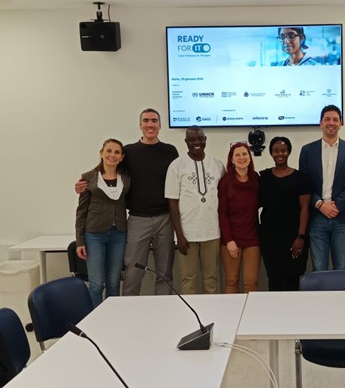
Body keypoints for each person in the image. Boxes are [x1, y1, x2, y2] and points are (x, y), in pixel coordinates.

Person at [75, 108, 178, 296]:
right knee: (133, 272)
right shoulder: (129, 152)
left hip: (165, 219)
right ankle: (128, 309)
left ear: (160, 125)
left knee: (164, 271)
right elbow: (108, 168)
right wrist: (85, 182)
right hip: (137, 219)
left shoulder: (170, 151)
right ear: (140, 125)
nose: (150, 124)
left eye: (154, 120)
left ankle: (163, 309)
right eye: (146, 120)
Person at [165, 126, 225, 294]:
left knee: (211, 279)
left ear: (205, 140)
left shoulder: (217, 165)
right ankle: (190, 312)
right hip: (187, 234)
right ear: (186, 142)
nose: (196, 142)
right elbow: (172, 203)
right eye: (191, 140)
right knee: (188, 279)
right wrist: (179, 235)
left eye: (200, 139)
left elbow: (224, 198)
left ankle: (211, 309)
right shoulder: (176, 166)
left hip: (212, 233)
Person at [299, 105, 345, 271]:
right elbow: (303, 184)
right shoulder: (307, 150)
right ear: (320, 123)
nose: (331, 123)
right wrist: (320, 204)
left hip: (343, 217)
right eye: (327, 119)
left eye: (335, 119)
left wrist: (337, 205)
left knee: (341, 267)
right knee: (319, 268)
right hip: (317, 217)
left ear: (341, 123)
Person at [75, 139, 131, 307]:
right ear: (101, 153)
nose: (112, 155)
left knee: (114, 281)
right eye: (109, 151)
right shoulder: (88, 178)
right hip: (94, 236)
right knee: (97, 283)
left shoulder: (126, 178)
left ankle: (112, 317)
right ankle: (95, 318)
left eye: (116, 152)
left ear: (121, 157)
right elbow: (81, 211)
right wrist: (79, 240)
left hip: (118, 234)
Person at [259, 137, 311, 291]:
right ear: (271, 153)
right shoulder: (263, 177)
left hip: (294, 237)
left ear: (289, 152)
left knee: (292, 280)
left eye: (283, 150)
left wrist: (300, 237)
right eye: (276, 151)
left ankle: (293, 307)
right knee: (274, 279)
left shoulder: (301, 178)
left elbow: (305, 208)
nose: (280, 154)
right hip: (270, 238)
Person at [218, 142, 260, 293]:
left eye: (244, 154)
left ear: (249, 157)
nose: (241, 157)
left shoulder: (256, 179)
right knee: (231, 281)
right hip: (231, 241)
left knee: (251, 283)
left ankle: (250, 309)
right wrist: (229, 240)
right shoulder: (225, 182)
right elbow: (222, 213)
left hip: (252, 239)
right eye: (237, 155)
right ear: (232, 159)